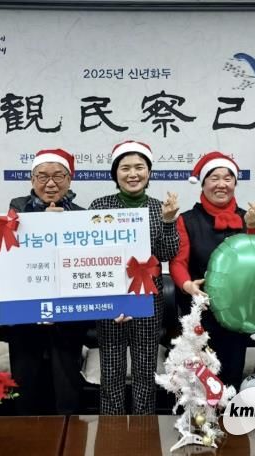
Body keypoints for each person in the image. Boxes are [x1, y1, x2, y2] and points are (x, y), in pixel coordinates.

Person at [169, 151, 255, 390]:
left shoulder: (248, 218)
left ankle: (231, 414)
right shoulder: (187, 219)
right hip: (200, 310)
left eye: (228, 178)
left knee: (231, 376)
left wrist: (254, 227)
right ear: (203, 183)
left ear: (235, 183)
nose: (221, 184)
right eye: (214, 178)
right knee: (198, 380)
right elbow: (178, 262)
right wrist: (188, 286)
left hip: (238, 311)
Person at [89, 140, 180, 415]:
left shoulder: (159, 207)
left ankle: (143, 428)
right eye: (125, 168)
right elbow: (89, 251)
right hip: (110, 295)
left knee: (145, 370)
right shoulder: (100, 205)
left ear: (148, 173)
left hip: (147, 297)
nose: (132, 174)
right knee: (111, 370)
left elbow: (167, 253)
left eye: (139, 167)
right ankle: (112, 428)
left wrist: (168, 221)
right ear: (115, 173)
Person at [7, 148, 86, 415]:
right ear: (32, 180)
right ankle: (28, 436)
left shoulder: (82, 216)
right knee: (25, 384)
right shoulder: (16, 210)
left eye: (58, 176)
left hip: (67, 314)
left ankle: (70, 435)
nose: (50, 183)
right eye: (42, 176)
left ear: (69, 180)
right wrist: (44, 222)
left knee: (67, 386)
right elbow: (10, 257)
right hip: (25, 314)